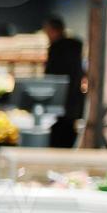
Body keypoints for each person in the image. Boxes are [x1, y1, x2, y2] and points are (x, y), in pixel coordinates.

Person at [42, 15, 86, 148]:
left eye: (47, 31)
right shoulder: (76, 45)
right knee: (67, 130)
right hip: (74, 101)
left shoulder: (56, 49)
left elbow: (51, 76)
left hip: (62, 100)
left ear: (54, 30)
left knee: (60, 133)